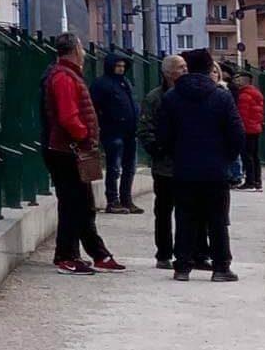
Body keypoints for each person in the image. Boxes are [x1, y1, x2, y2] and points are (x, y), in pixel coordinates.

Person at [39, 33, 125, 275]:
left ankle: (97, 254)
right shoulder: (64, 77)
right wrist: (83, 135)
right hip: (67, 150)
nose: (85, 53)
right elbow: (68, 117)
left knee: (82, 203)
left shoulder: (65, 75)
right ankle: (66, 256)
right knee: (73, 203)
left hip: (67, 149)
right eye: (82, 48)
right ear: (76, 49)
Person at [160, 49, 244, 282]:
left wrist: (176, 155)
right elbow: (236, 133)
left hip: (184, 168)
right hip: (215, 169)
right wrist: (226, 158)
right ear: (209, 69)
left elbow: (163, 136)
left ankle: (183, 266)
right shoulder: (221, 97)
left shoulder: (172, 97)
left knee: (185, 217)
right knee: (217, 219)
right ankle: (220, 267)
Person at [138, 54, 188, 270]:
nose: (185, 70)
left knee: (186, 212)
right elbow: (145, 129)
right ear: (168, 73)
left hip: (186, 164)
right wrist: (157, 148)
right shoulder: (155, 98)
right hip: (164, 166)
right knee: (164, 211)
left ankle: (184, 252)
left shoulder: (189, 96)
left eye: (186, 66)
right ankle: (164, 253)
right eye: (180, 67)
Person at [89, 52, 143, 214]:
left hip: (129, 132)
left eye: (122, 66)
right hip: (112, 132)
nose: (120, 69)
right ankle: (113, 200)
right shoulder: (102, 84)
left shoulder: (125, 82)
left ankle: (126, 199)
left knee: (129, 167)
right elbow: (94, 107)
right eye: (117, 66)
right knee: (114, 168)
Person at [234, 71, 265, 192]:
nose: (236, 81)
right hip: (255, 128)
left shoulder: (244, 96)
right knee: (255, 156)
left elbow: (243, 115)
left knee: (247, 156)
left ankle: (250, 181)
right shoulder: (256, 93)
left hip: (247, 129)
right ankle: (257, 181)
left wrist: (240, 128)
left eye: (239, 79)